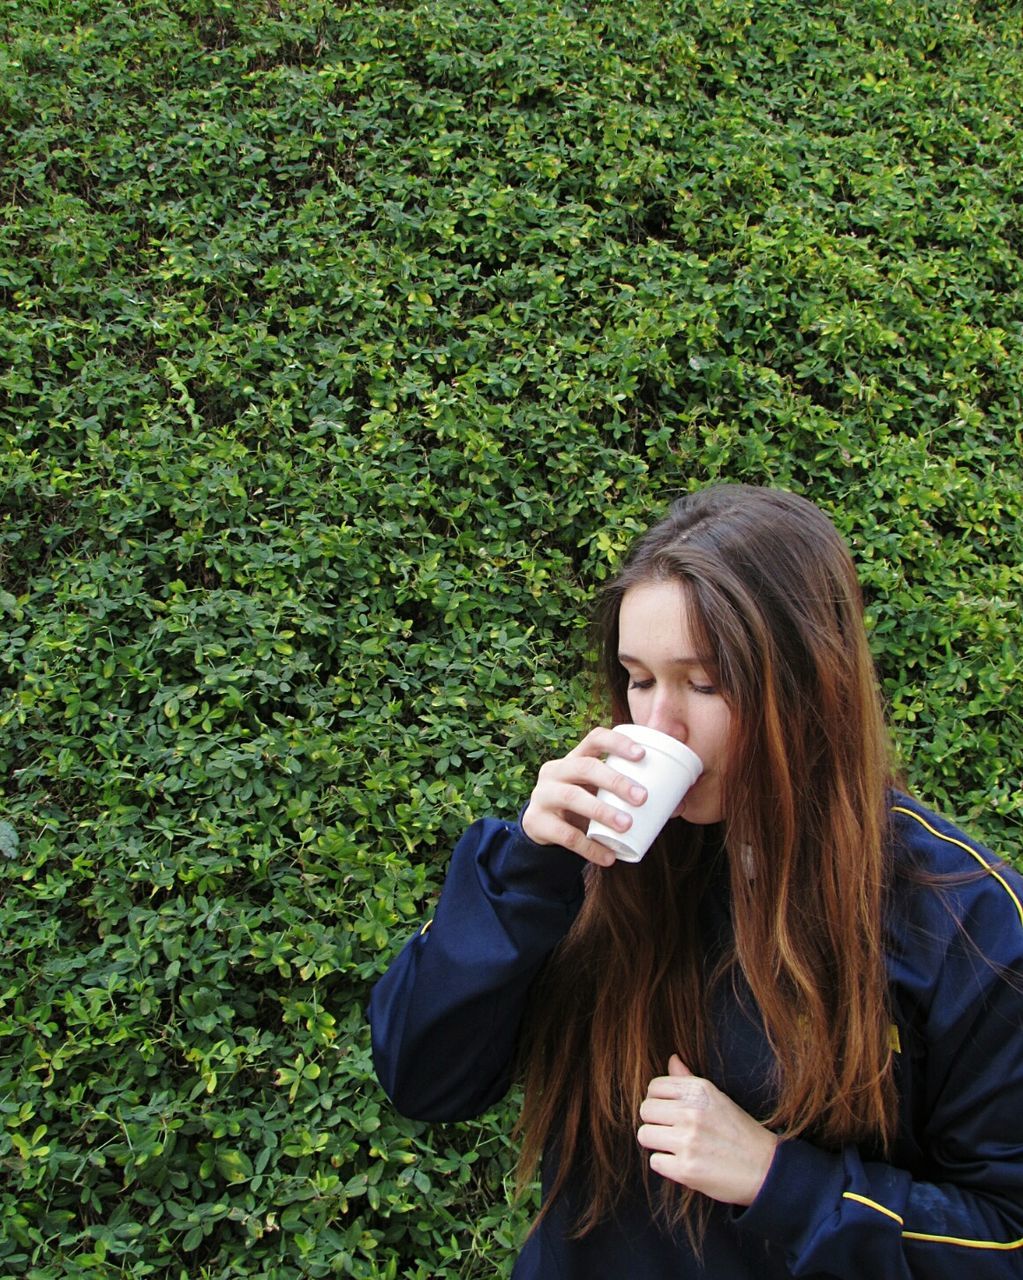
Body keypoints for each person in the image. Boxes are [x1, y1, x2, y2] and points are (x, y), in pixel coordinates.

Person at [368, 484, 1023, 1278]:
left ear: (812, 685)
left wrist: (782, 1182)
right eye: (638, 679)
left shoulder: (960, 918)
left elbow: (1003, 1237)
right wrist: (526, 874)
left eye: (704, 684)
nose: (657, 727)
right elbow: (423, 1079)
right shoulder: (577, 866)